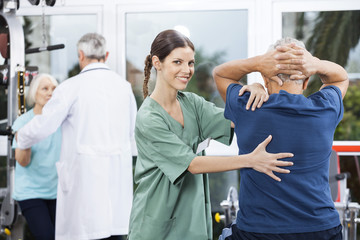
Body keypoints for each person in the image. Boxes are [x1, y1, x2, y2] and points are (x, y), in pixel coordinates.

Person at [128, 29, 294, 240]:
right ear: (157, 62)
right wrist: (251, 160)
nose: (187, 70)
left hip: (192, 222)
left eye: (190, 63)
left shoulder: (192, 104)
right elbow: (192, 164)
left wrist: (256, 89)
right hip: (155, 225)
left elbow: (238, 120)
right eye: (177, 62)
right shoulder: (149, 118)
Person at [214, 37, 349, 240]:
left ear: (266, 78)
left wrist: (258, 65)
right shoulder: (325, 108)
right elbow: (340, 78)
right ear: (306, 81)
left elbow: (221, 74)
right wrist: (316, 64)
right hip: (322, 230)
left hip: (257, 232)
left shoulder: (247, 106)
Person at [16, 33, 137, 240]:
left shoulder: (71, 87)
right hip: (117, 186)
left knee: (87, 231)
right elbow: (133, 133)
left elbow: (44, 124)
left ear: (81, 55)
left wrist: (22, 137)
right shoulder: (124, 88)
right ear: (106, 55)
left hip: (84, 187)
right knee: (113, 232)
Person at [12, 73, 60, 240]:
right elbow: (23, 162)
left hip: (57, 192)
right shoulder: (23, 123)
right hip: (31, 192)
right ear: (34, 93)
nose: (50, 93)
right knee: (46, 237)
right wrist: (27, 138)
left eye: (54, 89)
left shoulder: (60, 122)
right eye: (45, 89)